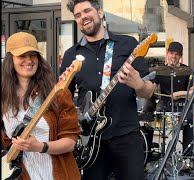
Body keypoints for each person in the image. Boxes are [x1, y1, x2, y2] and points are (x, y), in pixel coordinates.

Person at [61, 0, 154, 179]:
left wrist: (139, 85)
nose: (83, 17)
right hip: (90, 142)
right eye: (78, 15)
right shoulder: (71, 55)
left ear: (100, 13)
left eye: (87, 11)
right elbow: (65, 99)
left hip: (126, 136)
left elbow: (149, 91)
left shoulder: (128, 44)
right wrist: (76, 124)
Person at [1, 32, 81, 179]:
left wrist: (39, 146)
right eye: (22, 55)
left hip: (57, 174)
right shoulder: (4, 99)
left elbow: (70, 142)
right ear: (10, 60)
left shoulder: (58, 94)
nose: (28, 60)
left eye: (33, 55)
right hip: (23, 174)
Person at [153, 41, 194, 155]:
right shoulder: (160, 71)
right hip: (165, 106)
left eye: (177, 54)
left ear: (181, 56)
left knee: (191, 117)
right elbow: (150, 87)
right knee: (148, 120)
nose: (174, 56)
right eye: (172, 53)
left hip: (182, 107)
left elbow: (193, 90)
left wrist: (179, 93)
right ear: (168, 53)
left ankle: (188, 157)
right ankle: (151, 153)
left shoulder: (186, 71)